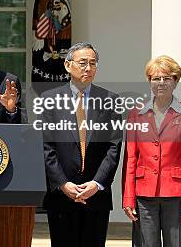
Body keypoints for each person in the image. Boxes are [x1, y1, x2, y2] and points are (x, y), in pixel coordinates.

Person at [41, 42, 122, 247]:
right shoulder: (49, 99)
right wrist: (62, 183)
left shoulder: (110, 100)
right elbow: (46, 147)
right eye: (83, 63)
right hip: (62, 195)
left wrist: (97, 183)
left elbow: (113, 148)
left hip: (96, 196)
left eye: (93, 63)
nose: (88, 68)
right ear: (68, 66)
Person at [122, 55, 181, 247]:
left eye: (167, 78)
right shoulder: (136, 113)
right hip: (143, 195)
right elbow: (130, 158)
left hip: (177, 195)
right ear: (149, 81)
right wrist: (128, 197)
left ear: (176, 81)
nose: (161, 83)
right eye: (155, 78)